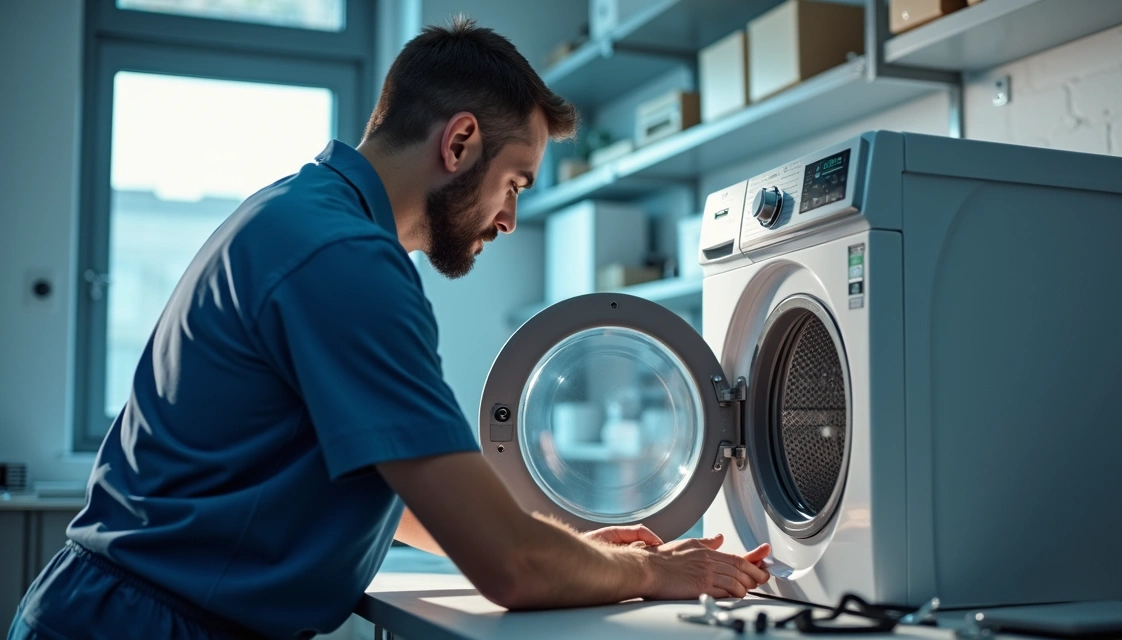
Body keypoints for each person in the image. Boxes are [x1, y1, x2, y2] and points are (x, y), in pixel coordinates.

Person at [8, 17, 770, 640]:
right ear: (460, 141)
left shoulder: (300, 215)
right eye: (515, 183)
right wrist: (654, 574)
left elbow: (398, 490)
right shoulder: (345, 261)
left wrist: (572, 551)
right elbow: (508, 567)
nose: (509, 217)